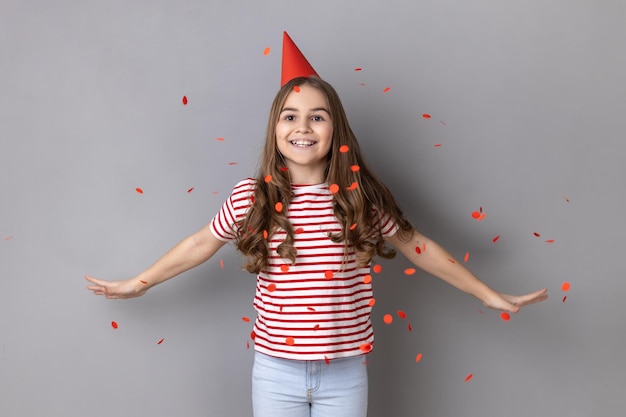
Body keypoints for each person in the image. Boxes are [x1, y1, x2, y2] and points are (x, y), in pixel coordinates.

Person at [85, 32, 548, 417]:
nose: (302, 127)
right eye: (290, 116)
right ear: (276, 128)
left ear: (335, 129)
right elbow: (201, 242)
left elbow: (416, 245)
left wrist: (487, 293)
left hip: (345, 372)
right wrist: (139, 282)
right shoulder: (254, 195)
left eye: (317, 117)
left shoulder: (358, 196)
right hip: (275, 371)